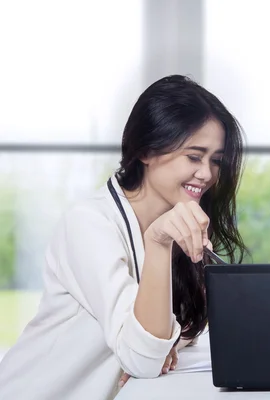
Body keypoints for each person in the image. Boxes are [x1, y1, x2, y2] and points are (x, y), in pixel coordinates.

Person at [0, 75, 248, 400]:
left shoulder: (181, 221)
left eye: (215, 161)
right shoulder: (89, 224)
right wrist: (157, 243)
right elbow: (143, 359)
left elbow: (170, 333)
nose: (207, 174)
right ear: (146, 150)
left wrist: (162, 342)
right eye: (193, 156)